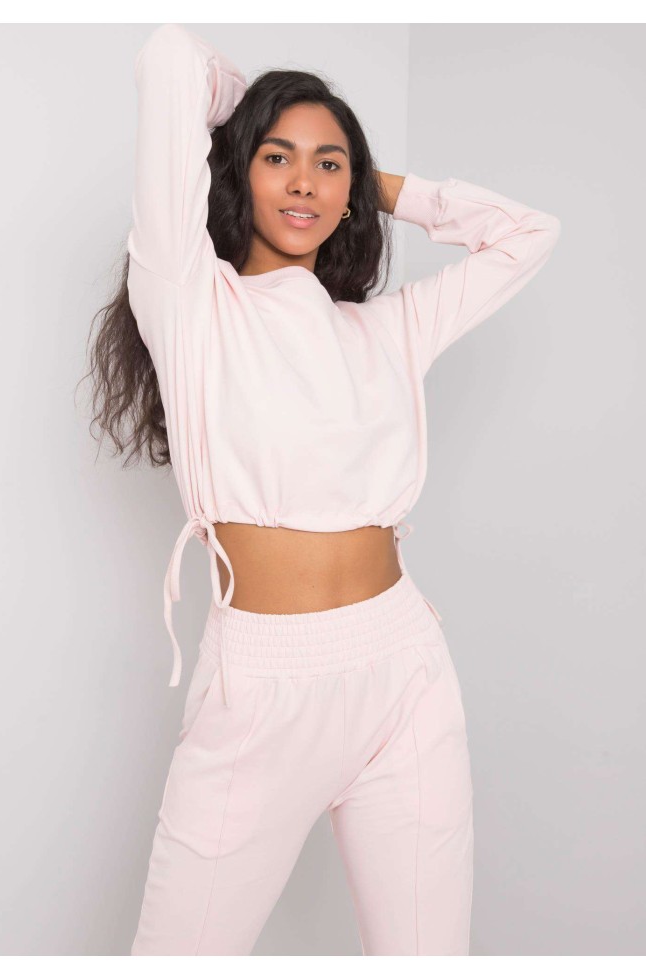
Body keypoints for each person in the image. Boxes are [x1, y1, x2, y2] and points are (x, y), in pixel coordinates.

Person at [85, 23, 560, 955]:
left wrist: (377, 181)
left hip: (405, 668)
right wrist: (244, 119)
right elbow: (172, 58)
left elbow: (529, 235)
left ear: (351, 194)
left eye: (328, 165)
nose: (304, 181)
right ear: (239, 172)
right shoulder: (191, 301)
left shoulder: (386, 330)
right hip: (262, 686)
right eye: (279, 158)